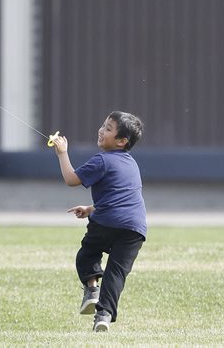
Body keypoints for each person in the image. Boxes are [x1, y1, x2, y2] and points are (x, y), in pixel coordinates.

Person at [52, 111, 146, 332]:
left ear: (122, 141)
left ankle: (92, 290)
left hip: (107, 222)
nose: (101, 130)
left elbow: (71, 179)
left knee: (87, 253)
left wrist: (62, 153)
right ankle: (103, 315)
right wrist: (90, 209)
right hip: (135, 228)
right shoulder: (131, 164)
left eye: (108, 129)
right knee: (116, 273)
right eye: (103, 126)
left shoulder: (102, 159)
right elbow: (121, 197)